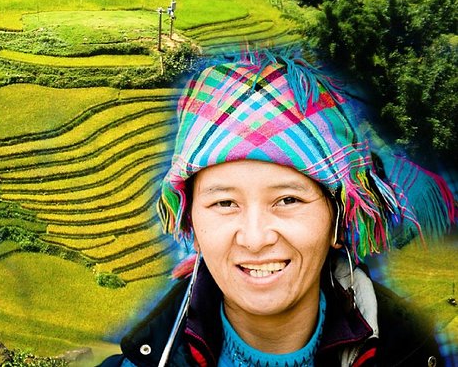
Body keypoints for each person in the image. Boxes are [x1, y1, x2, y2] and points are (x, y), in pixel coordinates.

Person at [101, 52, 456, 367]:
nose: (255, 239)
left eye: (288, 200)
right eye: (224, 203)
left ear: (337, 220)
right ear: (192, 222)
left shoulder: (412, 355)